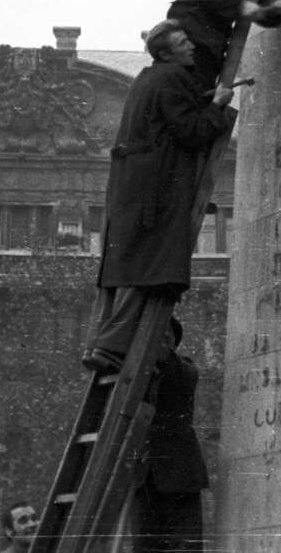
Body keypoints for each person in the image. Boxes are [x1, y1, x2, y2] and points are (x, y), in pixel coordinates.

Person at [83, 20, 235, 372]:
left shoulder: (146, 79)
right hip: (156, 190)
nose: (191, 47)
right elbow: (191, 131)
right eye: (184, 43)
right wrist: (218, 108)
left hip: (131, 188)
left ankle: (98, 343)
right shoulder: (172, 77)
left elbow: (170, 118)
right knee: (148, 268)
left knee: (124, 268)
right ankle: (112, 346)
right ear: (166, 53)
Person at [135, 318, 209, 552]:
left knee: (184, 546)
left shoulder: (184, 369)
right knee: (145, 546)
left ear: (174, 343)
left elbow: (182, 375)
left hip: (179, 477)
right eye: (158, 334)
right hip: (144, 478)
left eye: (168, 336)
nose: (163, 339)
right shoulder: (138, 375)